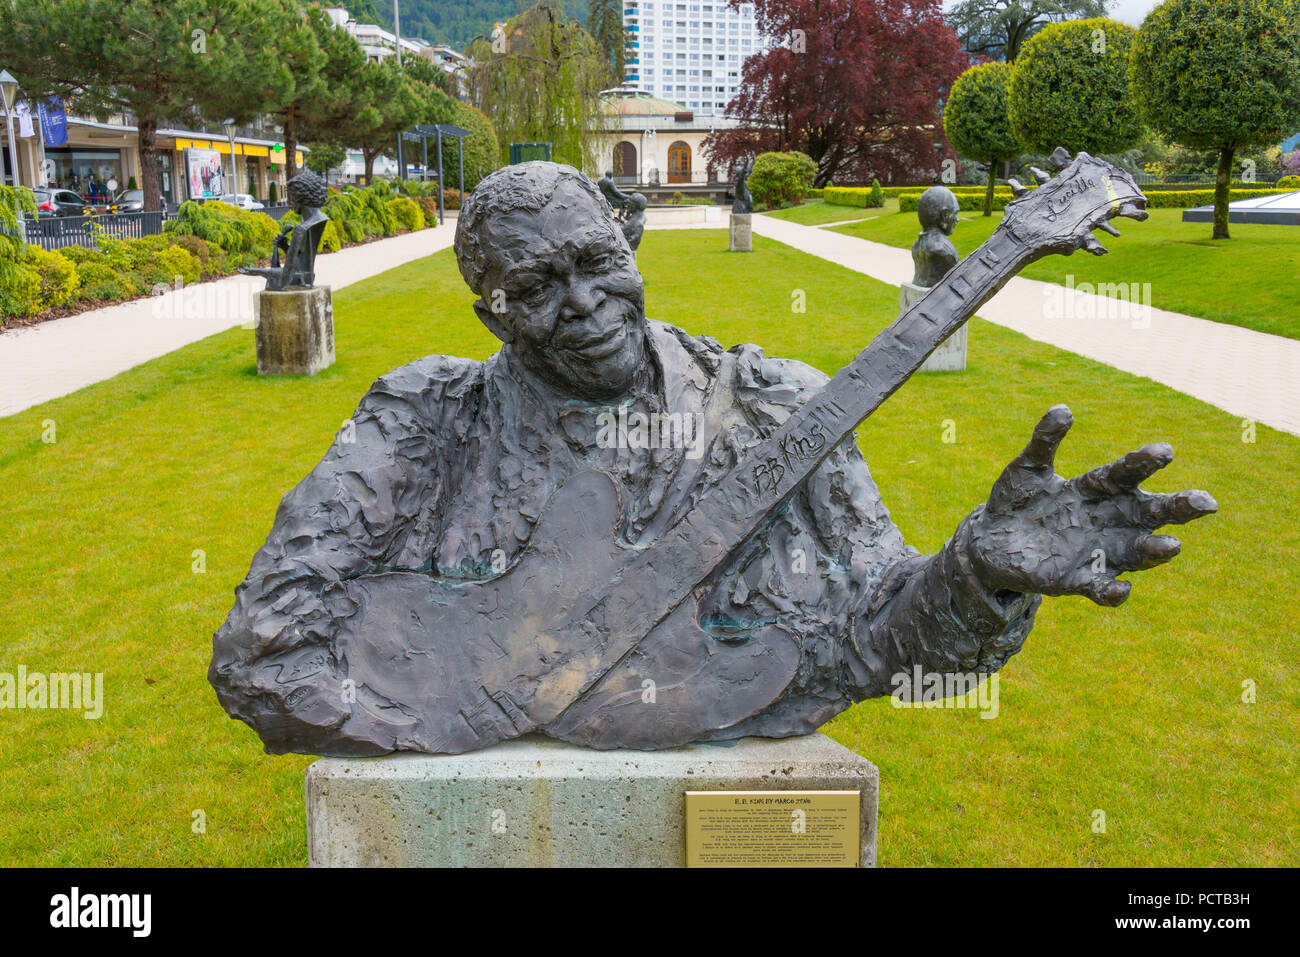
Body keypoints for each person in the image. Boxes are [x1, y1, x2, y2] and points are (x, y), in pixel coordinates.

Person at [209, 162, 1216, 756]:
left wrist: (980, 575)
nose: (586, 303)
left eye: (599, 263)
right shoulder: (424, 419)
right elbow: (263, 658)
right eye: (538, 285)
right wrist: (464, 707)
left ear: (630, 245)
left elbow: (882, 646)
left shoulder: (775, 400)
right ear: (493, 312)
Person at [237, 169, 329, 291]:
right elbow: (301, 264)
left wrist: (258, 271)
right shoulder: (321, 219)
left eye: (291, 197)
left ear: (300, 197)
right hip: (307, 278)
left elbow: (286, 278)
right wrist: (286, 247)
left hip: (299, 279)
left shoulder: (301, 229)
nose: (290, 203)